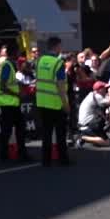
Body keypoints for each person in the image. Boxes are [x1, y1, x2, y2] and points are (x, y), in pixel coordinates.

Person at [35, 36, 71, 166]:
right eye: (60, 46)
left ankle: (46, 160)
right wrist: (65, 104)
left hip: (42, 102)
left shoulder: (40, 61)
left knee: (46, 133)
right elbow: (60, 85)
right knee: (60, 133)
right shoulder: (58, 63)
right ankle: (63, 159)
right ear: (56, 46)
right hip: (56, 103)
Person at [0, 43, 31, 163]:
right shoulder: (7, 65)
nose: (19, 54)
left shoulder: (10, 65)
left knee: (17, 129)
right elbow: (3, 85)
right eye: (18, 52)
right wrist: (17, 94)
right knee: (9, 130)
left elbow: (10, 82)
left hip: (11, 103)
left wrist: (21, 85)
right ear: (14, 53)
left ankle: (15, 153)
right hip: (8, 103)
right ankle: (7, 155)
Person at [77, 80, 110, 147]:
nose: (106, 90)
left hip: (85, 124)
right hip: (88, 125)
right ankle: (83, 137)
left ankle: (88, 137)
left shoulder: (92, 95)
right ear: (99, 90)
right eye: (104, 88)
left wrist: (107, 121)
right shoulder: (97, 96)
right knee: (107, 143)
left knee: (102, 122)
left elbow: (99, 112)